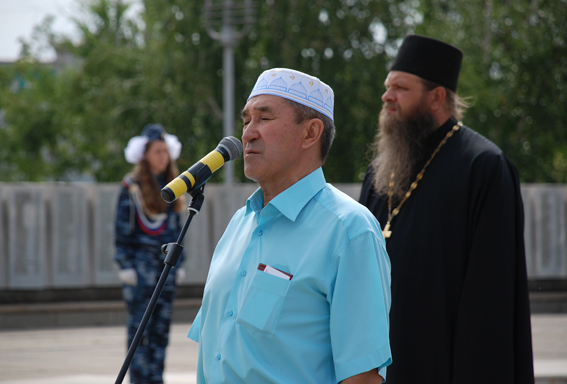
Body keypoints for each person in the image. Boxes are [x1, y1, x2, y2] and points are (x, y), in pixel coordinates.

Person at [187, 68, 392, 384]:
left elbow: (362, 376)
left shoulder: (349, 231)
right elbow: (215, 353)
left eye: (264, 119)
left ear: (310, 133)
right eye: (246, 121)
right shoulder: (239, 224)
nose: (248, 134)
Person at [358, 34, 534, 383]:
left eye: (400, 88)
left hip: (445, 365)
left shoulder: (483, 168)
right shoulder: (381, 171)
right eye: (387, 87)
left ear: (436, 97)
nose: (386, 97)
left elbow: (490, 300)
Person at [114, 123, 187, 384]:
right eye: (157, 151)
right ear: (145, 154)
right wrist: (125, 264)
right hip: (141, 269)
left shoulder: (173, 185)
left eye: (165, 151)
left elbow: (178, 231)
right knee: (139, 333)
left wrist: (179, 265)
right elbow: (122, 231)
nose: (162, 157)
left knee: (161, 331)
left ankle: (156, 379)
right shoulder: (132, 187)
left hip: (165, 270)